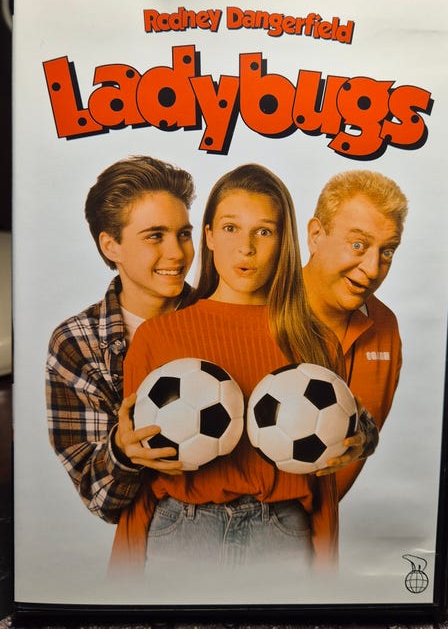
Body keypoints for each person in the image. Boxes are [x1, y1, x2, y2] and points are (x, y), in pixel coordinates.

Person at [110, 163, 378, 576]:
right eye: (231, 228)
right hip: (181, 530)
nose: (246, 248)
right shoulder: (157, 337)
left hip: (282, 531)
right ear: (209, 236)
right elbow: (143, 472)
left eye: (264, 231)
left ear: (283, 241)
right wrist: (121, 579)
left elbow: (323, 483)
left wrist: (326, 578)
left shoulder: (316, 341)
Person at [46, 155, 196, 523]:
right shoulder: (77, 344)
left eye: (183, 234)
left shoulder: (222, 315)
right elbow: (101, 501)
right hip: (157, 534)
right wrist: (122, 452)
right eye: (155, 236)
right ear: (111, 245)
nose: (177, 253)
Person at [302, 169, 408, 499]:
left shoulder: (385, 325)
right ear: (316, 236)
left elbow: (358, 446)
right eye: (358, 244)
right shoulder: (256, 304)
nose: (373, 269)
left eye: (387, 251)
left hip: (322, 526)